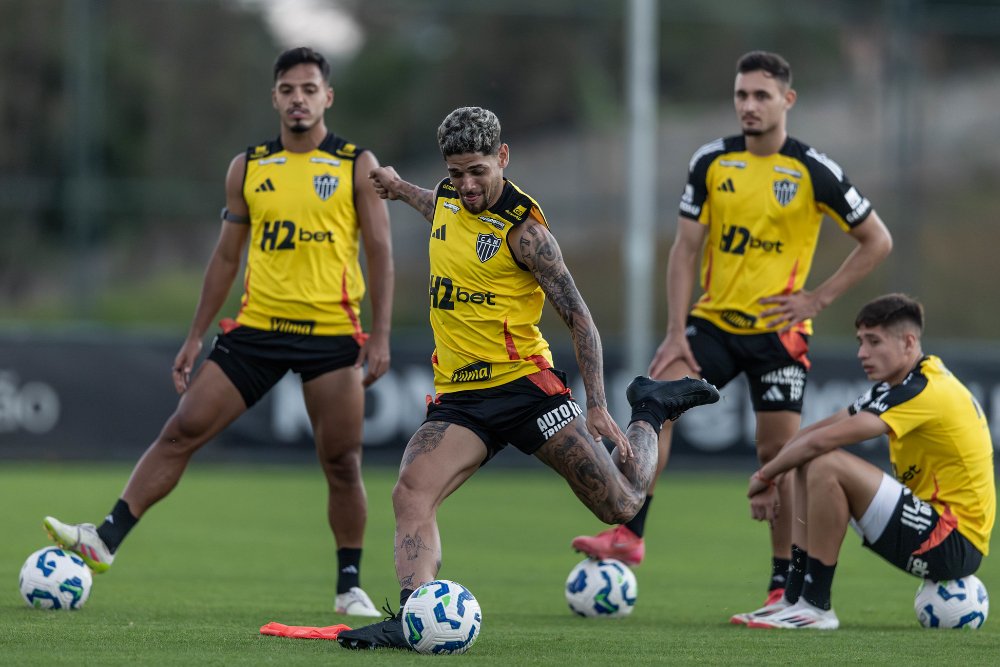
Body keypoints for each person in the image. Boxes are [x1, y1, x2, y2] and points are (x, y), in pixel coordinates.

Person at [336, 106, 720, 650]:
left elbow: (579, 318)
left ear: (503, 158)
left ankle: (651, 409)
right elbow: (434, 206)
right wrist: (399, 187)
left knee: (622, 505)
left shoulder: (527, 232)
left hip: (527, 390)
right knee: (411, 493)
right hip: (461, 398)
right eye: (456, 172)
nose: (467, 185)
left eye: (478, 171)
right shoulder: (448, 196)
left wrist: (598, 405)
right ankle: (413, 615)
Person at [42, 47, 393, 617]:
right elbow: (226, 257)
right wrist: (194, 334)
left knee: (342, 462)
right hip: (256, 329)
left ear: (328, 96)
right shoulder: (249, 166)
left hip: (331, 333)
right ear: (274, 97)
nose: (298, 98)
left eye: (309, 88)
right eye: (287, 89)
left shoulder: (356, 163)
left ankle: (348, 585)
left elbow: (380, 251)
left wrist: (378, 336)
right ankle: (103, 538)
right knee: (181, 430)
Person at [571, 51, 893, 621]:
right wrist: (675, 329)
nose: (748, 105)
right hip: (712, 325)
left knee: (778, 454)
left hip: (779, 337)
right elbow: (685, 249)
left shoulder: (814, 170)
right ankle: (630, 531)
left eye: (761, 95)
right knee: (654, 401)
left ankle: (778, 584)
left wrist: (818, 298)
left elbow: (877, 240)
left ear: (786, 101)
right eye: (741, 95)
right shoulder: (712, 161)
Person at [740, 293, 994, 629]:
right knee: (803, 461)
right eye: (861, 341)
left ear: (908, 342)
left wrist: (764, 477)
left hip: (952, 542)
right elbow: (815, 431)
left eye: (874, 342)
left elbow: (825, 440)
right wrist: (775, 473)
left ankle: (816, 607)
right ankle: (794, 598)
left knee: (824, 462)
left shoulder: (923, 389)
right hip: (930, 523)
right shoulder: (898, 384)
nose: (862, 353)